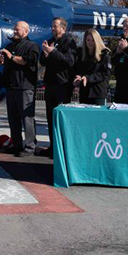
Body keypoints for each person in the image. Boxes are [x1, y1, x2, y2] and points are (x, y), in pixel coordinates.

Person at [0, 21, 39, 157]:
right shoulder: (10, 46)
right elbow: (6, 63)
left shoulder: (32, 46)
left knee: (27, 119)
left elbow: (28, 61)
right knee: (13, 119)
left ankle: (30, 147)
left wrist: (11, 57)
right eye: (14, 29)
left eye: (18, 29)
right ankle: (17, 144)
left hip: (25, 87)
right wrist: (2, 61)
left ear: (26, 31)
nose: (15, 31)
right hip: (11, 87)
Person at [40, 17, 76, 157]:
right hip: (50, 84)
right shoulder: (50, 41)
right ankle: (52, 147)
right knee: (50, 117)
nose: (53, 29)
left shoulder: (69, 42)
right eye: (52, 26)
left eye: (56, 26)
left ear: (63, 28)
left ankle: (62, 149)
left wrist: (53, 52)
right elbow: (43, 62)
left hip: (63, 85)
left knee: (61, 118)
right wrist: (45, 53)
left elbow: (69, 61)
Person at [74, 29, 110, 106]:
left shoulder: (104, 55)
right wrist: (79, 77)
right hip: (85, 92)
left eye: (93, 40)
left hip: (98, 93)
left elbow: (104, 74)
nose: (90, 42)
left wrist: (88, 78)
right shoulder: (82, 55)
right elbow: (78, 69)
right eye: (88, 40)